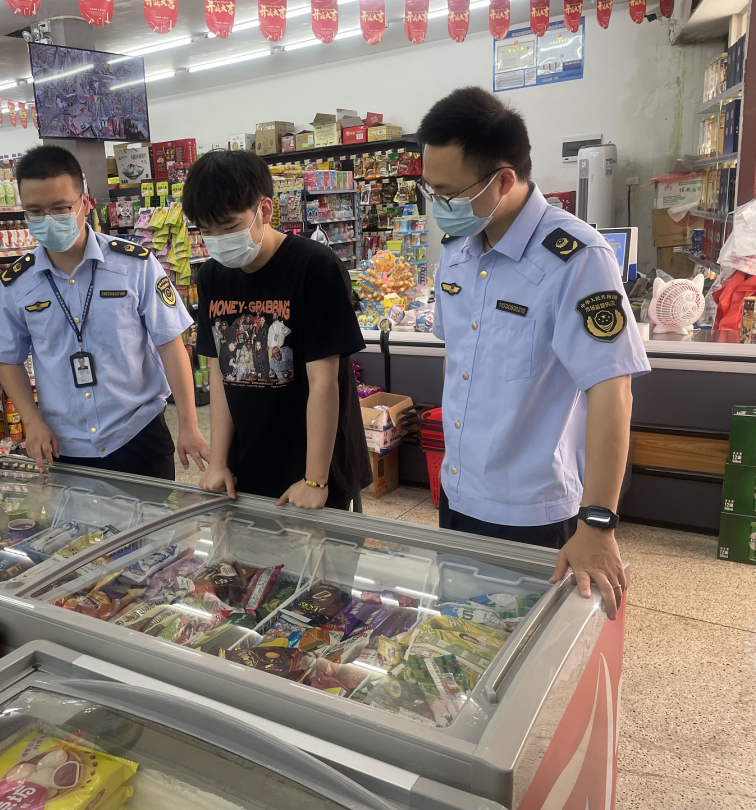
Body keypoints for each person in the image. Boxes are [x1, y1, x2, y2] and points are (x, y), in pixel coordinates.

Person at [418, 87, 651, 618]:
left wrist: (598, 523)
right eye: (430, 190)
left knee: (528, 650)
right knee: (461, 633)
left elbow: (612, 393)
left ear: (503, 180)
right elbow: (461, 365)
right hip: (458, 494)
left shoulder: (576, 258)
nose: (439, 208)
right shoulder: (455, 255)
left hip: (534, 510)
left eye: (448, 194)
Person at [0, 145, 208, 480]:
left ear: (86, 203)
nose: (48, 220)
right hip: (63, 444)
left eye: (60, 208)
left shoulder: (135, 265)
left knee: (154, 517)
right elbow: (6, 358)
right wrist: (31, 421)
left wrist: (189, 425)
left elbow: (169, 343)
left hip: (138, 435)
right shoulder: (17, 283)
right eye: (35, 211)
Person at [182, 149, 372, 510]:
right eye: (206, 231)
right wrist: (219, 461)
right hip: (246, 463)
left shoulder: (315, 267)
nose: (218, 240)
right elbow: (220, 376)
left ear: (265, 210)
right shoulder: (210, 277)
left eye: (229, 227)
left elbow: (324, 381)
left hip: (315, 462)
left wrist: (315, 479)